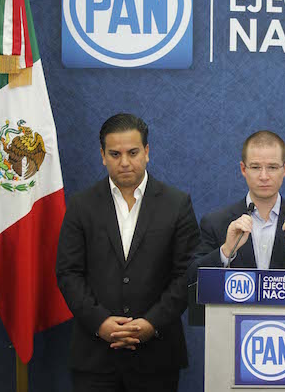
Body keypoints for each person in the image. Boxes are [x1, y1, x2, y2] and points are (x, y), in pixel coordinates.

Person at [56, 113, 199, 392]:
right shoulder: (81, 205)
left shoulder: (177, 204)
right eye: (115, 153)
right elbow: (68, 272)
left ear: (147, 152)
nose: (124, 162)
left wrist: (150, 324)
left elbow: (187, 275)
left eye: (133, 152)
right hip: (95, 357)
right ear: (102, 155)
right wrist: (100, 322)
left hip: (157, 357)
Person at [191, 130, 285, 275]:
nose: (264, 176)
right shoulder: (215, 223)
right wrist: (226, 251)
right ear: (243, 169)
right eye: (255, 167)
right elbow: (192, 281)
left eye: (272, 167)